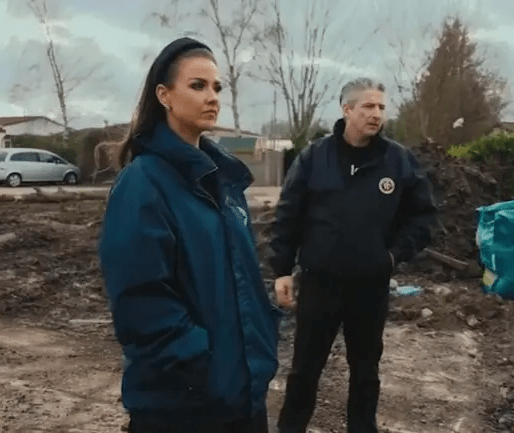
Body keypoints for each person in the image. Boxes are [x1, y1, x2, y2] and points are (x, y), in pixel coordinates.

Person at [98, 37, 280, 433]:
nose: (212, 96)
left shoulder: (226, 183)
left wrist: (259, 344)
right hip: (184, 408)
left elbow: (239, 280)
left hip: (242, 395)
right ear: (164, 95)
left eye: (217, 87)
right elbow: (141, 303)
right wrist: (202, 366)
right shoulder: (143, 184)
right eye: (197, 86)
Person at [269, 78, 438, 433]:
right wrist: (282, 268)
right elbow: (289, 214)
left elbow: (423, 217)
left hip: (370, 287)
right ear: (347, 109)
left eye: (381, 107)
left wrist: (393, 256)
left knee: (365, 371)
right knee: (304, 370)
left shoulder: (398, 161)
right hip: (319, 284)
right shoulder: (315, 157)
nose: (376, 114)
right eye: (368, 106)